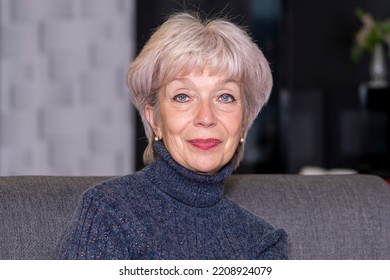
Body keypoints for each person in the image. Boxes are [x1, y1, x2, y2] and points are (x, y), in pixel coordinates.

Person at [57, 12, 288, 260]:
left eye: (225, 97)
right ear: (154, 119)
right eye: (183, 97)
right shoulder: (109, 213)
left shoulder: (262, 242)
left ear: (243, 122)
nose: (206, 117)